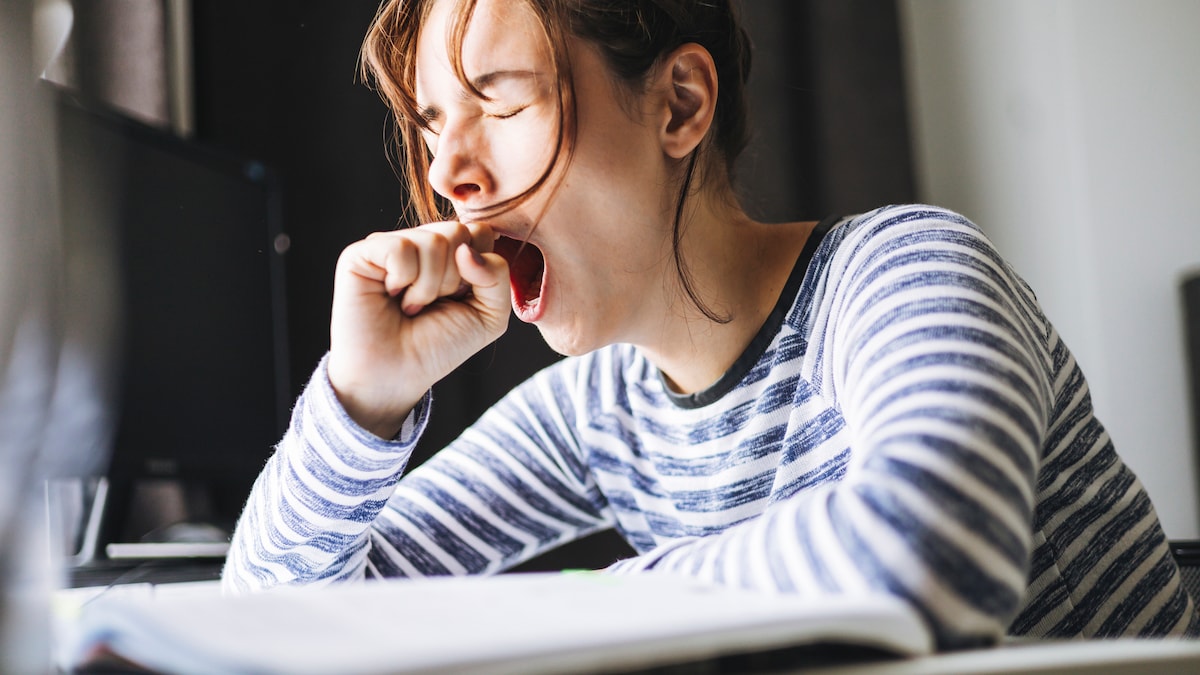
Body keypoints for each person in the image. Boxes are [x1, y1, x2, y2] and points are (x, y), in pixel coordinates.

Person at [222, 0, 1198, 650]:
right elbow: (271, 619)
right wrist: (362, 404)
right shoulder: (596, 410)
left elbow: (934, 551)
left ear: (680, 105)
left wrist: (587, 598)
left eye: (501, 100)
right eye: (434, 122)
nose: (446, 176)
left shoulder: (901, 270)